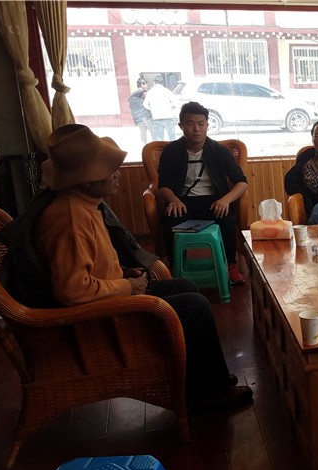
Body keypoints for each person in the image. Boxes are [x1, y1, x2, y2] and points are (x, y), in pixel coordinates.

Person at [33, 124, 252, 410]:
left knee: (186, 286)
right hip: (104, 316)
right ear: (86, 180)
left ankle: (206, 378)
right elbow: (72, 291)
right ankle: (206, 394)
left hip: (113, 297)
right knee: (195, 305)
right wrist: (127, 285)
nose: (117, 175)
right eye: (109, 170)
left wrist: (124, 272)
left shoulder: (85, 206)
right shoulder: (72, 219)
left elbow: (91, 266)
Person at [158, 101, 249, 285]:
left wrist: (226, 200)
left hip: (214, 201)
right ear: (181, 126)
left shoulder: (219, 151)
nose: (196, 129)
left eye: (201, 123)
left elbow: (242, 182)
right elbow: (163, 186)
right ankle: (175, 267)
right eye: (190, 123)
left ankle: (231, 265)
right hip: (183, 201)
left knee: (226, 219)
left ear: (207, 125)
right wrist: (173, 199)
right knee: (171, 219)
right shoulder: (171, 151)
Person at [143, 75, 177, 141]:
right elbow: (175, 102)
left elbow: (145, 104)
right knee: (172, 138)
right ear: (162, 83)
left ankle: (161, 148)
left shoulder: (150, 92)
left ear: (154, 82)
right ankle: (174, 147)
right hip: (168, 117)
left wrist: (152, 109)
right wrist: (169, 106)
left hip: (157, 118)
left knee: (159, 138)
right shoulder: (167, 91)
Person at [127, 78, 154, 144]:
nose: (147, 85)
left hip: (138, 118)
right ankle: (155, 146)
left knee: (143, 134)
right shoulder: (143, 93)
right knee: (153, 132)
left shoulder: (133, 94)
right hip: (145, 116)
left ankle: (144, 147)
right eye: (145, 84)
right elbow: (147, 104)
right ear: (141, 84)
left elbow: (130, 106)